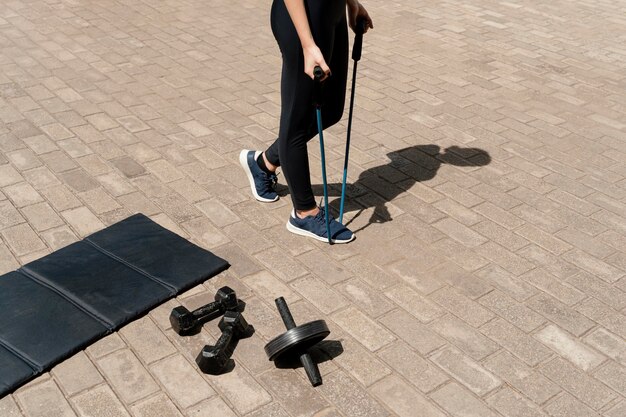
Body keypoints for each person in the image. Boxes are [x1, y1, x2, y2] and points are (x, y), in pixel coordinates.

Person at [240, 0, 373, 244]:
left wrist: (351, 5)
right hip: (302, 21)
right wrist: (307, 44)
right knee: (296, 121)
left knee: (332, 110)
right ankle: (304, 213)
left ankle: (264, 163)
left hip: (331, 16)